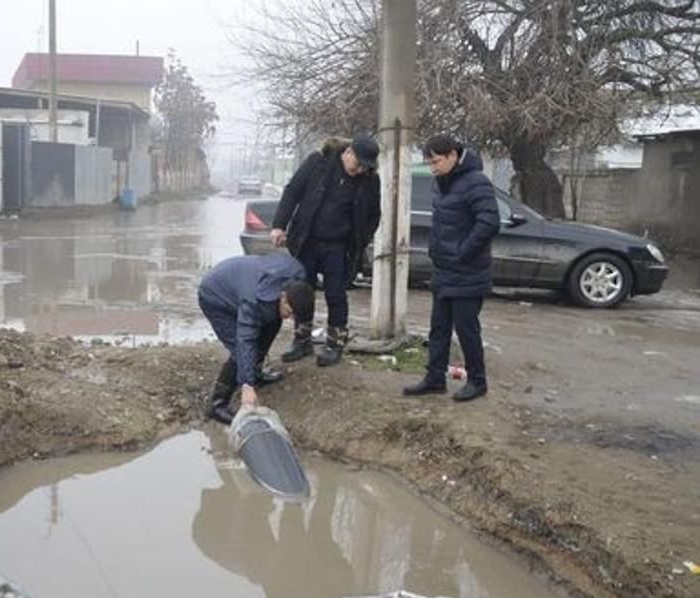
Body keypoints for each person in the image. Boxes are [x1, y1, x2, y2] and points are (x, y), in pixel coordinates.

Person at [270, 134, 382, 367]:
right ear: (348, 153)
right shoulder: (318, 163)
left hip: (340, 246)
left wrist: (362, 240)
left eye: (365, 167)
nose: (360, 170)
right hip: (307, 240)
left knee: (336, 295)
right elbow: (292, 192)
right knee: (302, 292)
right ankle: (302, 341)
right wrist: (279, 225)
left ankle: (334, 344)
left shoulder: (370, 179)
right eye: (358, 163)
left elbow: (374, 214)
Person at [403, 134, 500, 402]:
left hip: (469, 271)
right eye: (430, 163)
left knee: (466, 329)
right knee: (439, 327)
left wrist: (463, 252)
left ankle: (477, 382)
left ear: (453, 156)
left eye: (436, 161)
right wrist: (438, 252)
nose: (433, 167)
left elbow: (489, 222)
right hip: (444, 269)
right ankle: (435, 378)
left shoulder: (476, 182)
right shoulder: (441, 183)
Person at [197, 254, 316, 424]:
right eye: (289, 312)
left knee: (273, 324)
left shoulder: (298, 277)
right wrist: (247, 386)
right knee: (240, 350)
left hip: (243, 281)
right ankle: (216, 404)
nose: (290, 318)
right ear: (283, 296)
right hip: (216, 295)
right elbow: (245, 341)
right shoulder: (254, 302)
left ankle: (255, 372)